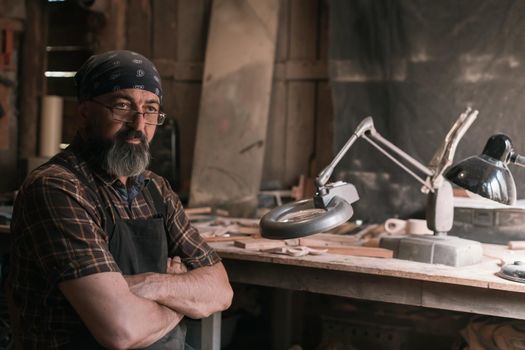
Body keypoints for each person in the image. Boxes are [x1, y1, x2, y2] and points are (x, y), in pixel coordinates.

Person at [7, 50, 233, 349]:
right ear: (86, 113)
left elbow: (221, 291)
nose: (139, 125)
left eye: (150, 109)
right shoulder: (56, 188)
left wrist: (149, 284)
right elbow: (121, 330)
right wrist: (181, 302)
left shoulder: (156, 189)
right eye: (122, 106)